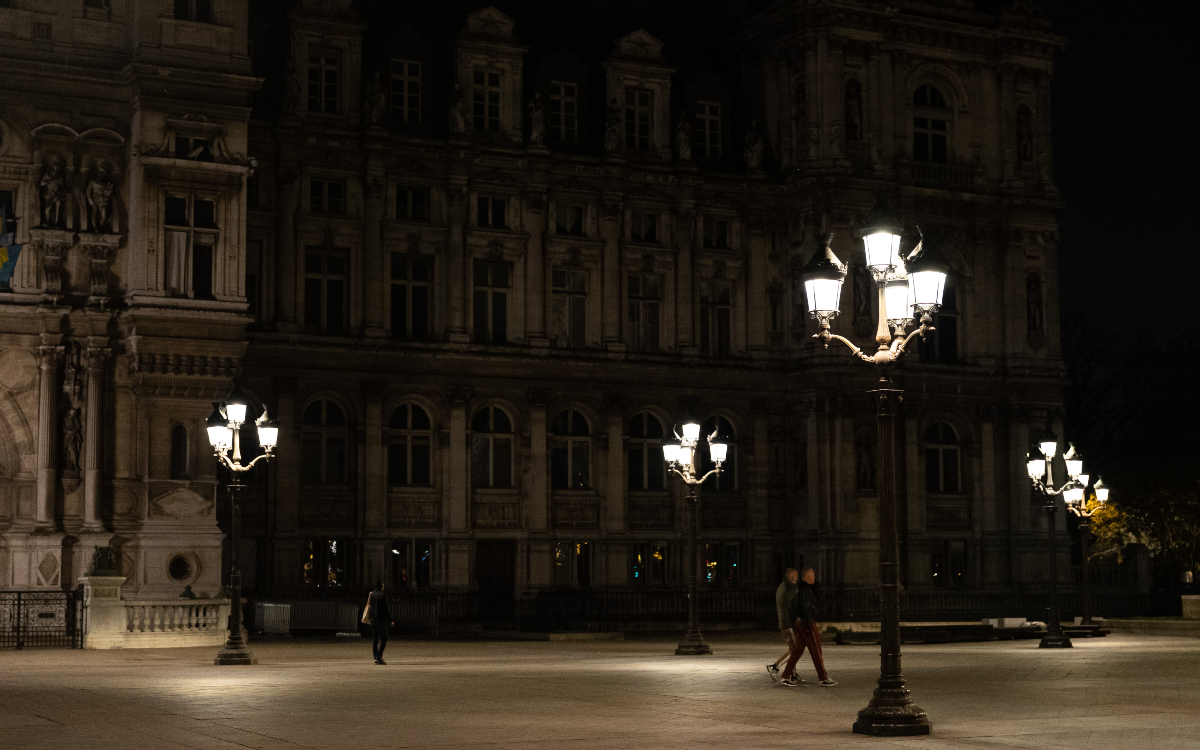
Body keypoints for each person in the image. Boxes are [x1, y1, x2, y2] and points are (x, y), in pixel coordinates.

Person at [781, 567, 836, 687]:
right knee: (816, 650)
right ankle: (823, 678)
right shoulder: (806, 590)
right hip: (806, 622)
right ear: (807, 577)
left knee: (797, 650)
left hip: (799, 622)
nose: (814, 578)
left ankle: (785, 676)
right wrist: (808, 624)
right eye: (813, 575)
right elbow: (806, 608)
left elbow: (794, 606)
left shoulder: (798, 589)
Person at [767, 568, 799, 682]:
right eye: (796, 576)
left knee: (793, 648)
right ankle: (776, 666)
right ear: (792, 577)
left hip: (783, 622)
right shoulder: (790, 587)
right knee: (795, 650)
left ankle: (794, 674)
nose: (797, 579)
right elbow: (792, 606)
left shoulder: (781, 586)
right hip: (788, 623)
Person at [367, 582, 394, 665]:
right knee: (384, 637)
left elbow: (369, 605)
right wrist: (390, 620)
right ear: (381, 587)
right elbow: (385, 609)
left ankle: (375, 656)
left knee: (375, 639)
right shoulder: (382, 595)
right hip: (381, 619)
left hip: (373, 619)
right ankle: (379, 657)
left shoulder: (371, 594)